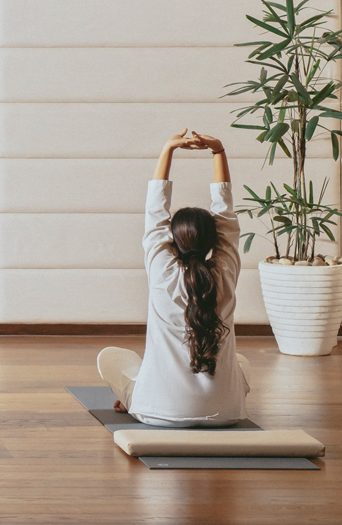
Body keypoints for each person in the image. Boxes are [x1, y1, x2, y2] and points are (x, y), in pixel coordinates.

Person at [97, 129, 251, 428]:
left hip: (159, 413)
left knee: (112, 358)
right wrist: (219, 151)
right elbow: (226, 217)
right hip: (228, 413)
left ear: (172, 240)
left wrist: (168, 148)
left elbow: (155, 213)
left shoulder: (162, 272)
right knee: (241, 363)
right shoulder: (225, 274)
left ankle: (134, 397)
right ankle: (145, 390)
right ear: (213, 240)